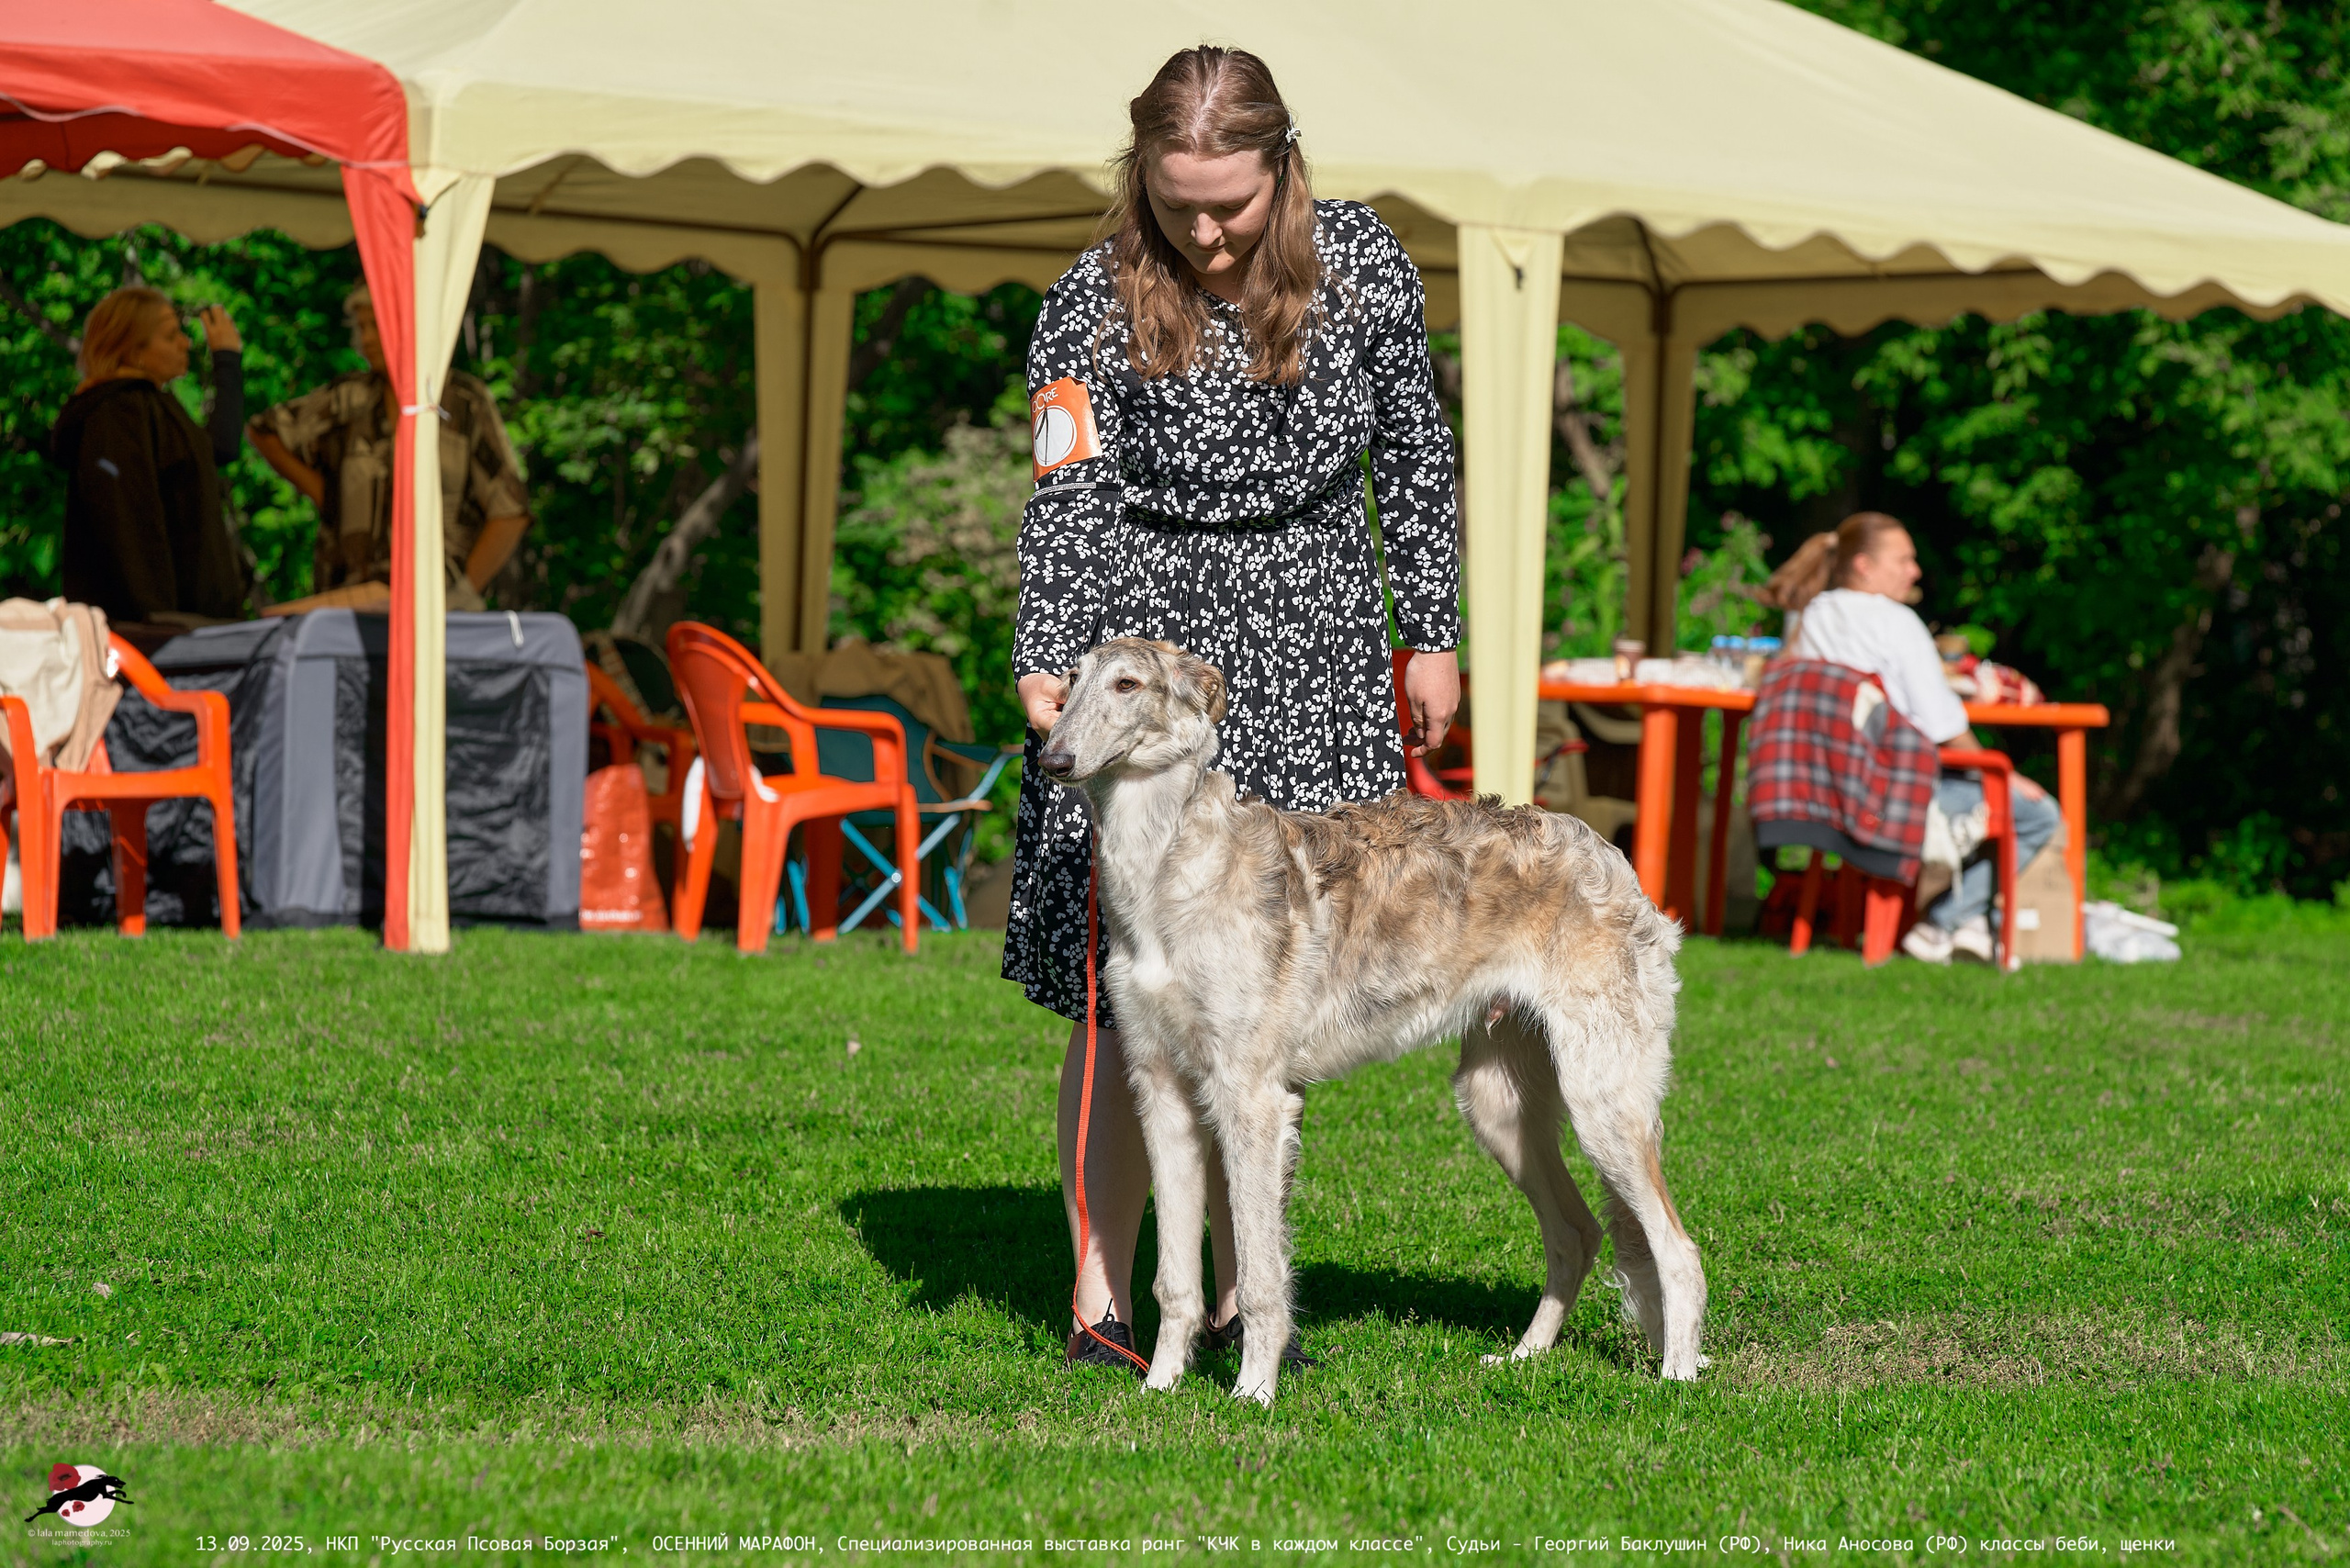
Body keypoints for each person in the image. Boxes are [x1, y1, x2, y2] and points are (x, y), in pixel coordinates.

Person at [1007, 46, 1461, 1370]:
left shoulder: (1366, 266)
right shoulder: (1089, 295)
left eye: (1231, 204)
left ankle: (1241, 1295)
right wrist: (1047, 653)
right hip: (1141, 651)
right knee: (1121, 993)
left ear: (1285, 165)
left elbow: (1414, 456)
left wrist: (1431, 632)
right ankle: (1104, 1295)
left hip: (1318, 632)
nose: (1204, 232)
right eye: (1177, 202)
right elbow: (1067, 488)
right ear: (1139, 175)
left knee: (1264, 992)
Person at [1781, 511, 2062, 964]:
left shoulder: (1813, 615)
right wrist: (2003, 777)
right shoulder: (1896, 621)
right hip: (1894, 799)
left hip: (1830, 791)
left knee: (1983, 791)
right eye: (1903, 560)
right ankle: (1942, 924)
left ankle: (1970, 926)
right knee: (2037, 813)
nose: (1914, 572)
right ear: (1864, 566)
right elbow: (1943, 726)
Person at [249, 284, 531, 615]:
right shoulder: (348, 399)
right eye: (361, 327)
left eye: (376, 325)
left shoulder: (464, 402)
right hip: (350, 603)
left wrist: (463, 592)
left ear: (410, 325)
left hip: (437, 610)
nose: (367, 339)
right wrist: (327, 496)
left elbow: (510, 510)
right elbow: (264, 430)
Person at [48, 288, 250, 626]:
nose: (185, 343)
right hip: (154, 633)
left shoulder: (152, 408)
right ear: (133, 351)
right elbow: (129, 529)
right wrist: (160, 624)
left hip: (187, 626)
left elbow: (219, 448)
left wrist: (226, 359)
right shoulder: (118, 414)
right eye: (171, 336)